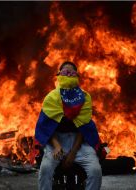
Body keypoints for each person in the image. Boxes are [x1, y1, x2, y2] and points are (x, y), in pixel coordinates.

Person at [35, 61, 102, 190]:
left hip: (79, 143)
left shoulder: (85, 97)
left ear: (76, 76)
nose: (68, 76)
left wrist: (73, 153)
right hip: (56, 140)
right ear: (59, 75)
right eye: (65, 73)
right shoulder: (51, 98)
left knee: (95, 170)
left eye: (72, 73)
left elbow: (83, 128)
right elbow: (46, 126)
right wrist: (56, 145)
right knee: (45, 169)